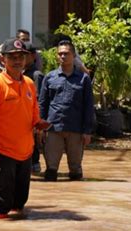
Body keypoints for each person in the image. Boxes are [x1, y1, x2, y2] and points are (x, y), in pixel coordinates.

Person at [0, 38, 50, 219]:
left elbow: (34, 112)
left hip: (26, 152)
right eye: (12, 57)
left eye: (21, 57)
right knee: (2, 208)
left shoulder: (29, 83)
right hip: (3, 153)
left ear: (27, 59)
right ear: (3, 60)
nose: (18, 61)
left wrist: (39, 123)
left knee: (20, 205)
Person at [38, 40, 94, 182]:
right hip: (53, 128)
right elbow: (43, 104)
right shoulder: (49, 77)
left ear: (73, 55)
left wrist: (87, 131)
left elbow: (88, 106)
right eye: (60, 54)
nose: (63, 56)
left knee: (75, 171)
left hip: (75, 129)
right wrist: (40, 128)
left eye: (66, 53)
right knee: (51, 171)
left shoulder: (83, 79)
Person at [24, 43, 44, 174]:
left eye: (24, 55)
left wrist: (38, 123)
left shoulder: (36, 75)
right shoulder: (21, 73)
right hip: (22, 117)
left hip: (32, 118)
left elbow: (39, 100)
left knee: (33, 145)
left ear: (32, 56)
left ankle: (34, 165)